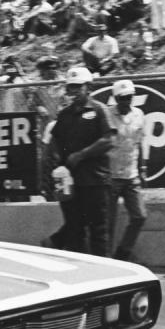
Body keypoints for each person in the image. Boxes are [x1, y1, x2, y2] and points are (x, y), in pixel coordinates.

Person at [49, 67, 116, 256]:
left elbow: (109, 140)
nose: (74, 91)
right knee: (74, 227)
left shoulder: (99, 110)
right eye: (71, 87)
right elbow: (55, 142)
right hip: (70, 182)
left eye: (78, 86)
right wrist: (57, 166)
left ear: (88, 87)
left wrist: (80, 155)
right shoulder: (64, 115)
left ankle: (104, 270)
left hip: (96, 179)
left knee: (99, 229)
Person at [107, 80, 148, 261]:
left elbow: (140, 142)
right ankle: (105, 258)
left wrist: (143, 167)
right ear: (116, 98)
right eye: (122, 98)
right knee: (108, 222)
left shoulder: (139, 114)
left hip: (131, 174)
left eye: (129, 97)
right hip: (111, 175)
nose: (126, 101)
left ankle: (123, 253)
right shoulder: (107, 115)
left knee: (139, 216)